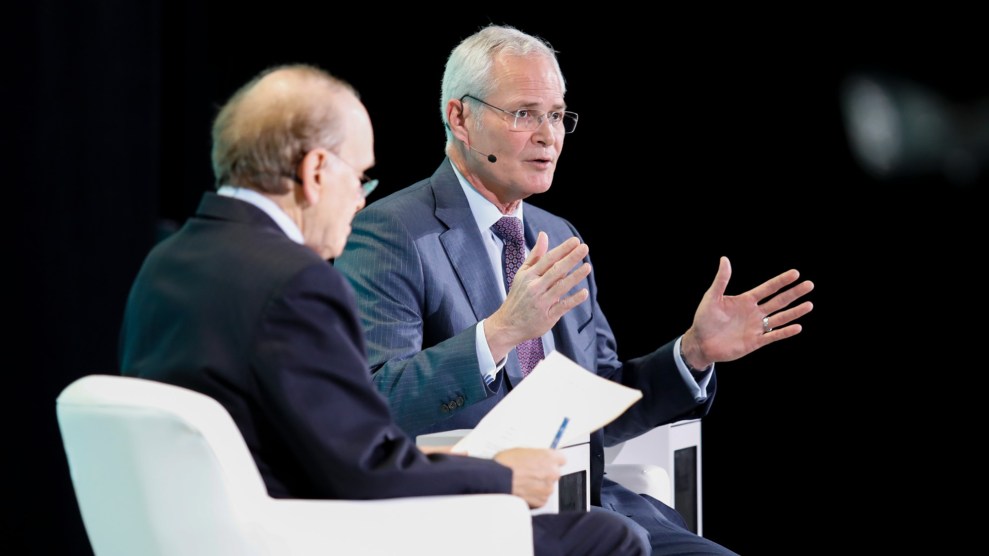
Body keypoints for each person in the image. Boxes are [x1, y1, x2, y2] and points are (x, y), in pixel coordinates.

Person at [118, 63, 648, 556]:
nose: (361, 201)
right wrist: (503, 477)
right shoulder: (295, 281)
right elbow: (366, 469)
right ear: (316, 171)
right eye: (360, 179)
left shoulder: (165, 261)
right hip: (314, 530)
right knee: (608, 537)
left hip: (221, 530)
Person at [334, 25, 814, 555]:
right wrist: (498, 334)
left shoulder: (559, 234)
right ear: (460, 119)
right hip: (481, 515)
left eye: (557, 115)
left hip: (594, 502)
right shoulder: (393, 231)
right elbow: (375, 405)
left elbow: (600, 400)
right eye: (524, 114)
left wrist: (692, 353)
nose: (549, 135)